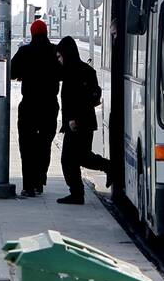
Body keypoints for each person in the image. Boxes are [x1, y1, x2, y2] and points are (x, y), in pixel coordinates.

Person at [55, 35, 111, 205]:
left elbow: (79, 99)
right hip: (83, 122)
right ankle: (108, 167)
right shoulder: (81, 70)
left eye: (59, 56)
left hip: (78, 124)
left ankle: (77, 193)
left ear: (66, 53)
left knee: (69, 159)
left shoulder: (73, 73)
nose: (58, 60)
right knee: (82, 157)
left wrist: (73, 120)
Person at [10, 19, 60, 198]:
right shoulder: (55, 51)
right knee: (44, 144)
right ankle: (40, 181)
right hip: (49, 105)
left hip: (29, 105)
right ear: (46, 33)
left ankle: (28, 186)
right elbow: (62, 73)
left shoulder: (24, 51)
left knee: (27, 145)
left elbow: (11, 72)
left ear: (32, 33)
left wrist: (23, 75)